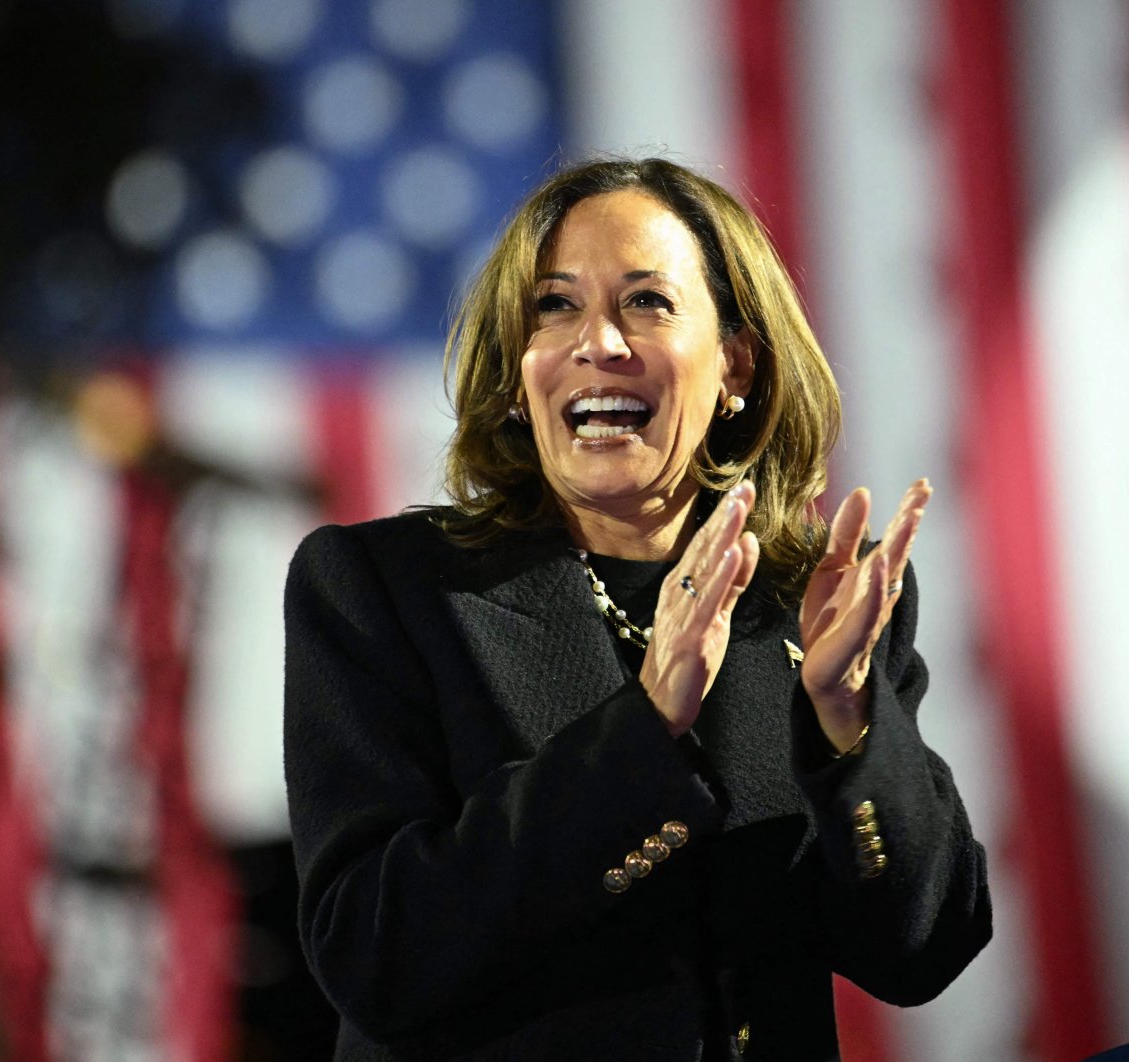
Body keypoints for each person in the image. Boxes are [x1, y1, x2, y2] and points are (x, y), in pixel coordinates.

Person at [284, 157, 991, 1060]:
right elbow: (374, 956)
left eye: (648, 303)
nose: (599, 343)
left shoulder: (817, 604)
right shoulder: (385, 591)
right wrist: (643, 733)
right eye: (555, 306)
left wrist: (851, 726)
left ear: (736, 362)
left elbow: (924, 952)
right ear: (516, 374)